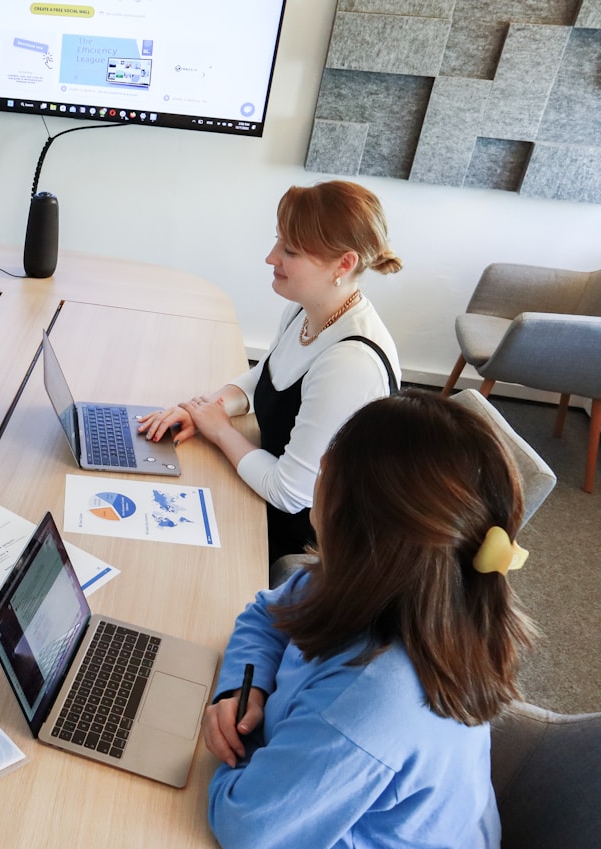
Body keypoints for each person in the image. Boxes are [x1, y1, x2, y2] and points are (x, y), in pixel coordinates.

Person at [201, 389, 536, 849]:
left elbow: (245, 827)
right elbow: (267, 612)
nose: (319, 469)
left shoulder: (371, 700)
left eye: (328, 466)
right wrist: (243, 686)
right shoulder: (390, 586)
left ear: (355, 523)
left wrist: (249, 745)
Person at [138, 180, 402, 562]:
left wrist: (219, 430)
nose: (270, 257)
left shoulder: (349, 364)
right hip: (268, 497)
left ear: (343, 264)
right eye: (278, 241)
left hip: (309, 543)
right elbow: (268, 374)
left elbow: (288, 491)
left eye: (289, 250)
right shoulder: (307, 310)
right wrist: (203, 407)